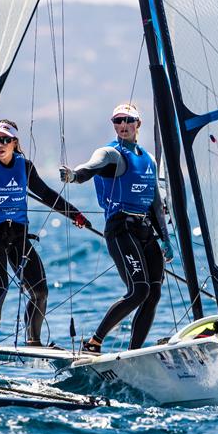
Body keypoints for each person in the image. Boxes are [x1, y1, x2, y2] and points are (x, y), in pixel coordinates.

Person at [59, 103, 173, 353]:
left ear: (138, 124)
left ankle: (134, 354)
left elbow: (154, 202)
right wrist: (74, 176)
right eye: (117, 121)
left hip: (145, 229)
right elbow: (91, 166)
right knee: (139, 290)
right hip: (121, 228)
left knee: (153, 294)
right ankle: (94, 342)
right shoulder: (111, 153)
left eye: (128, 120)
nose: (122, 125)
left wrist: (166, 239)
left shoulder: (148, 160)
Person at [0, 119, 89, 346]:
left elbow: (45, 194)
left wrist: (74, 214)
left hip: (18, 239)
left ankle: (33, 342)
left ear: (14, 142)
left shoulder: (24, 167)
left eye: (4, 140)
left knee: (40, 291)